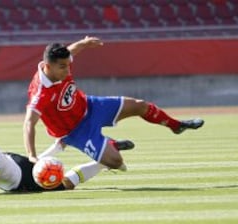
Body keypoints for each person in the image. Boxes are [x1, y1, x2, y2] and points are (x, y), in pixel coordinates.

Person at [23, 36, 204, 172]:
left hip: (89, 106)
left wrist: (84, 43)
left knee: (139, 105)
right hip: (75, 131)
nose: (67, 69)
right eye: (62, 67)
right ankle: (111, 144)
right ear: (48, 66)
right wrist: (32, 155)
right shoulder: (40, 93)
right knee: (116, 163)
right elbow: (29, 123)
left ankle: (176, 125)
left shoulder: (62, 62)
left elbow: (71, 51)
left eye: (67, 65)